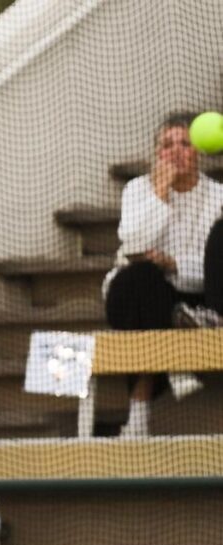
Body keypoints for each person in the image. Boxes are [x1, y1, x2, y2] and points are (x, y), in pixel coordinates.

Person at [103, 111, 223, 437]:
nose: (175, 151)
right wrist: (160, 193)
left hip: (194, 296)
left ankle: (184, 343)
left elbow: (212, 271)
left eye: (185, 143)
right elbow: (133, 246)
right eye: (167, 145)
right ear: (157, 153)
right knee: (140, 277)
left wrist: (173, 263)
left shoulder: (218, 197)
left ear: (199, 151)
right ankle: (174, 368)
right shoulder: (137, 190)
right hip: (138, 295)